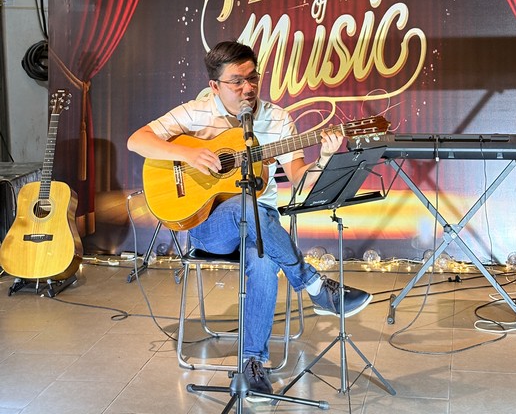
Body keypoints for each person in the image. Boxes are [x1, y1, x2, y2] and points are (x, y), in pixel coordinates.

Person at [127, 40, 372, 399]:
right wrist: (187, 154)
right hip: (210, 227)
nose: (248, 87)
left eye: (253, 78)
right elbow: (137, 140)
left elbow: (299, 178)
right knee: (245, 205)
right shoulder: (195, 113)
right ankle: (314, 285)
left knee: (263, 260)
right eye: (237, 81)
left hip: (262, 225)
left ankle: (251, 365)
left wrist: (324, 157)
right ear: (215, 86)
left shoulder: (278, 119)